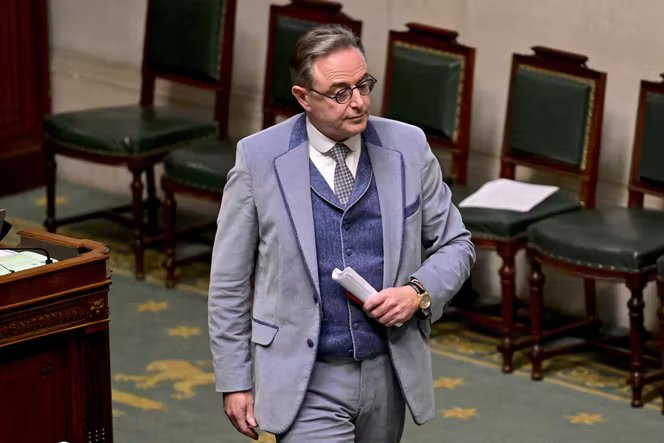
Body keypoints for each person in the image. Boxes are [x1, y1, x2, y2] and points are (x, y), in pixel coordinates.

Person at [208, 24, 475, 442]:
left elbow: (456, 243)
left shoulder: (408, 147)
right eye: (340, 93)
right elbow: (229, 280)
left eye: (364, 85)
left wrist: (418, 292)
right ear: (304, 98)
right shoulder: (258, 158)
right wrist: (234, 378)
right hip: (305, 376)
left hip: (388, 371)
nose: (359, 102)